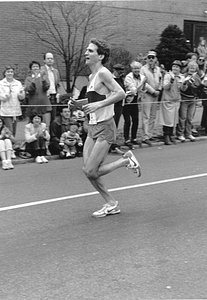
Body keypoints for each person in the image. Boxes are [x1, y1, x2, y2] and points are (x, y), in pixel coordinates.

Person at [70, 38, 141, 218]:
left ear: (100, 56)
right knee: (88, 171)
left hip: (105, 128)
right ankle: (111, 203)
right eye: (86, 50)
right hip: (92, 128)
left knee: (91, 170)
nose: (86, 53)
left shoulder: (104, 73)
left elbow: (120, 93)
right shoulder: (92, 76)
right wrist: (78, 104)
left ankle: (126, 161)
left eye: (91, 51)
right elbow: (94, 101)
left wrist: (99, 105)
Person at [158, 60, 184, 145]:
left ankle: (171, 134)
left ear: (180, 69)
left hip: (176, 100)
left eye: (177, 67)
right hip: (168, 100)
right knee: (167, 119)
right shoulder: (168, 76)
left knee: (174, 119)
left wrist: (185, 84)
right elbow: (165, 87)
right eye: (174, 66)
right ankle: (166, 136)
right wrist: (171, 82)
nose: (175, 68)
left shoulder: (181, 77)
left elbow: (183, 89)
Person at [123, 61, 148, 147]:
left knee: (136, 120)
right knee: (127, 121)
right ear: (132, 69)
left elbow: (144, 90)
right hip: (127, 100)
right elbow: (133, 90)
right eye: (135, 68)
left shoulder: (142, 77)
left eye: (138, 68)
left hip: (136, 100)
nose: (136, 70)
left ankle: (134, 138)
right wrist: (142, 83)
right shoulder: (128, 77)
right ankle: (126, 139)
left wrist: (144, 84)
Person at [140, 50, 162, 145]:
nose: (151, 59)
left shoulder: (158, 69)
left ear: (156, 59)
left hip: (156, 95)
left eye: (153, 57)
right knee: (146, 116)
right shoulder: (143, 69)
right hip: (147, 94)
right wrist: (152, 91)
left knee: (153, 116)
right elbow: (143, 83)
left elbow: (160, 80)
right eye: (149, 57)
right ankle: (145, 136)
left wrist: (159, 90)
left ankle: (150, 134)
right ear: (146, 59)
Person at [176, 61, 202, 142]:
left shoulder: (197, 76)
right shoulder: (184, 76)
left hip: (193, 99)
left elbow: (198, 86)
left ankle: (188, 133)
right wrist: (186, 82)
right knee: (183, 117)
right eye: (191, 68)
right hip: (184, 99)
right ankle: (180, 134)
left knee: (190, 118)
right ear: (188, 68)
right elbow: (183, 88)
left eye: (194, 68)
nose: (192, 69)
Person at [0, 65, 25, 136]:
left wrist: (21, 94)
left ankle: (14, 144)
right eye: (8, 72)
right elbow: (1, 97)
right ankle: (10, 144)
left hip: (16, 110)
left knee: (15, 129)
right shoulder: (1, 83)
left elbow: (21, 98)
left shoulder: (18, 83)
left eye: (11, 72)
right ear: (5, 73)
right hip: (6, 111)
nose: (10, 73)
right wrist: (8, 93)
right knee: (9, 129)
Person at [24, 61, 51, 127]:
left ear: (39, 68)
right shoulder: (28, 79)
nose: (35, 68)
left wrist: (44, 80)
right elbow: (29, 89)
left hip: (44, 105)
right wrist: (34, 80)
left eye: (37, 66)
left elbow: (46, 87)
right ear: (31, 69)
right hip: (33, 106)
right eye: (33, 67)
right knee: (33, 126)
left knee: (46, 126)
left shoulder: (44, 77)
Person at [41, 53, 60, 123]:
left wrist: (58, 93)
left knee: (53, 118)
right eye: (48, 58)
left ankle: (52, 134)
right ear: (44, 60)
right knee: (45, 118)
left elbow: (57, 84)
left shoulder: (56, 71)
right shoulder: (41, 70)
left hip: (54, 96)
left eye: (51, 58)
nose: (50, 60)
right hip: (45, 96)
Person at [110, 63, 126, 151]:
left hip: (119, 104)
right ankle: (110, 143)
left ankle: (113, 142)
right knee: (112, 124)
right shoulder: (111, 79)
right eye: (119, 71)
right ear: (115, 71)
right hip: (113, 104)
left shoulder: (121, 79)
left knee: (116, 123)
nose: (121, 73)